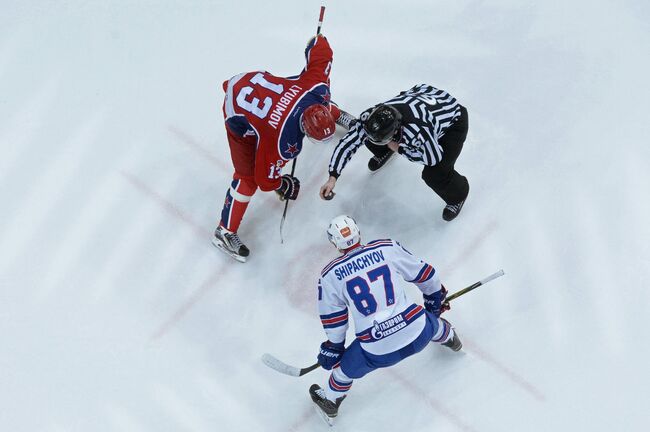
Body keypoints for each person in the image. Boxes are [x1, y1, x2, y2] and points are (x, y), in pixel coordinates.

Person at [213, 35, 355, 262]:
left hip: (259, 84)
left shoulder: (317, 88)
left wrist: (317, 41)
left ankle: (332, 113)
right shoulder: (280, 141)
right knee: (246, 177)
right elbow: (263, 179)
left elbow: (322, 54)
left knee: (308, 93)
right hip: (238, 107)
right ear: (304, 130)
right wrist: (282, 183)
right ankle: (224, 231)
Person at [309, 215, 462, 425]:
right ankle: (450, 337)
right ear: (358, 232)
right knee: (430, 322)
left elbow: (334, 319)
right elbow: (425, 274)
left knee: (342, 372)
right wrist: (434, 299)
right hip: (418, 332)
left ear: (334, 242)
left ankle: (331, 400)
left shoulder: (329, 275)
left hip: (378, 350)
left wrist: (333, 348)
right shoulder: (386, 247)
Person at [319, 84, 470, 221]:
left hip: (453, 121)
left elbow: (433, 158)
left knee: (435, 174)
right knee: (367, 136)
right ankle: (385, 150)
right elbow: (348, 143)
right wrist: (333, 176)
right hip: (422, 98)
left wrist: (400, 149)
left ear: (397, 131)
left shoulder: (417, 132)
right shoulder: (370, 117)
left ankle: (458, 195)